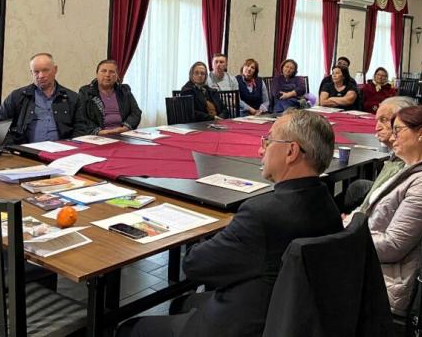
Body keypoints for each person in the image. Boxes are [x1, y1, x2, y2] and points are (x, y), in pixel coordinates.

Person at [118, 110, 342, 337]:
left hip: (241, 323)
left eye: (268, 141)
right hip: (289, 314)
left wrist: (217, 232)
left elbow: (195, 265)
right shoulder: (328, 204)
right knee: (181, 304)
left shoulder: (260, 215)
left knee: (129, 328)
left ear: (291, 151)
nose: (260, 150)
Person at [349, 106, 422, 316]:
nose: (392, 137)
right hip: (375, 259)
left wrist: (347, 237)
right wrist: (351, 223)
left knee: (301, 264)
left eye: (397, 130)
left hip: (386, 278)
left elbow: (394, 246)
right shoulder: (411, 168)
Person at [341, 97, 417, 212]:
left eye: (384, 120)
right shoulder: (401, 153)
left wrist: (353, 219)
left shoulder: (405, 158)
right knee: (356, 187)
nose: (377, 128)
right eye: (377, 121)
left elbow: (380, 208)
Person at [0, 53, 80, 145]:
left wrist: (71, 147)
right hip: (26, 150)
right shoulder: (18, 96)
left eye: (45, 70)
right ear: (31, 73)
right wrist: (12, 146)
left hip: (62, 150)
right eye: (36, 72)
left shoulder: (72, 98)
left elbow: (81, 128)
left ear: (55, 70)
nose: (41, 76)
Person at [74, 59, 142, 136]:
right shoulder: (86, 92)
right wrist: (99, 132)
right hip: (98, 135)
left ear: (117, 76)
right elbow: (82, 117)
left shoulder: (124, 90)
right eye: (103, 71)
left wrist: (125, 128)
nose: (107, 75)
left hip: (123, 133)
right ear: (97, 74)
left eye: (112, 72)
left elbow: (136, 112)